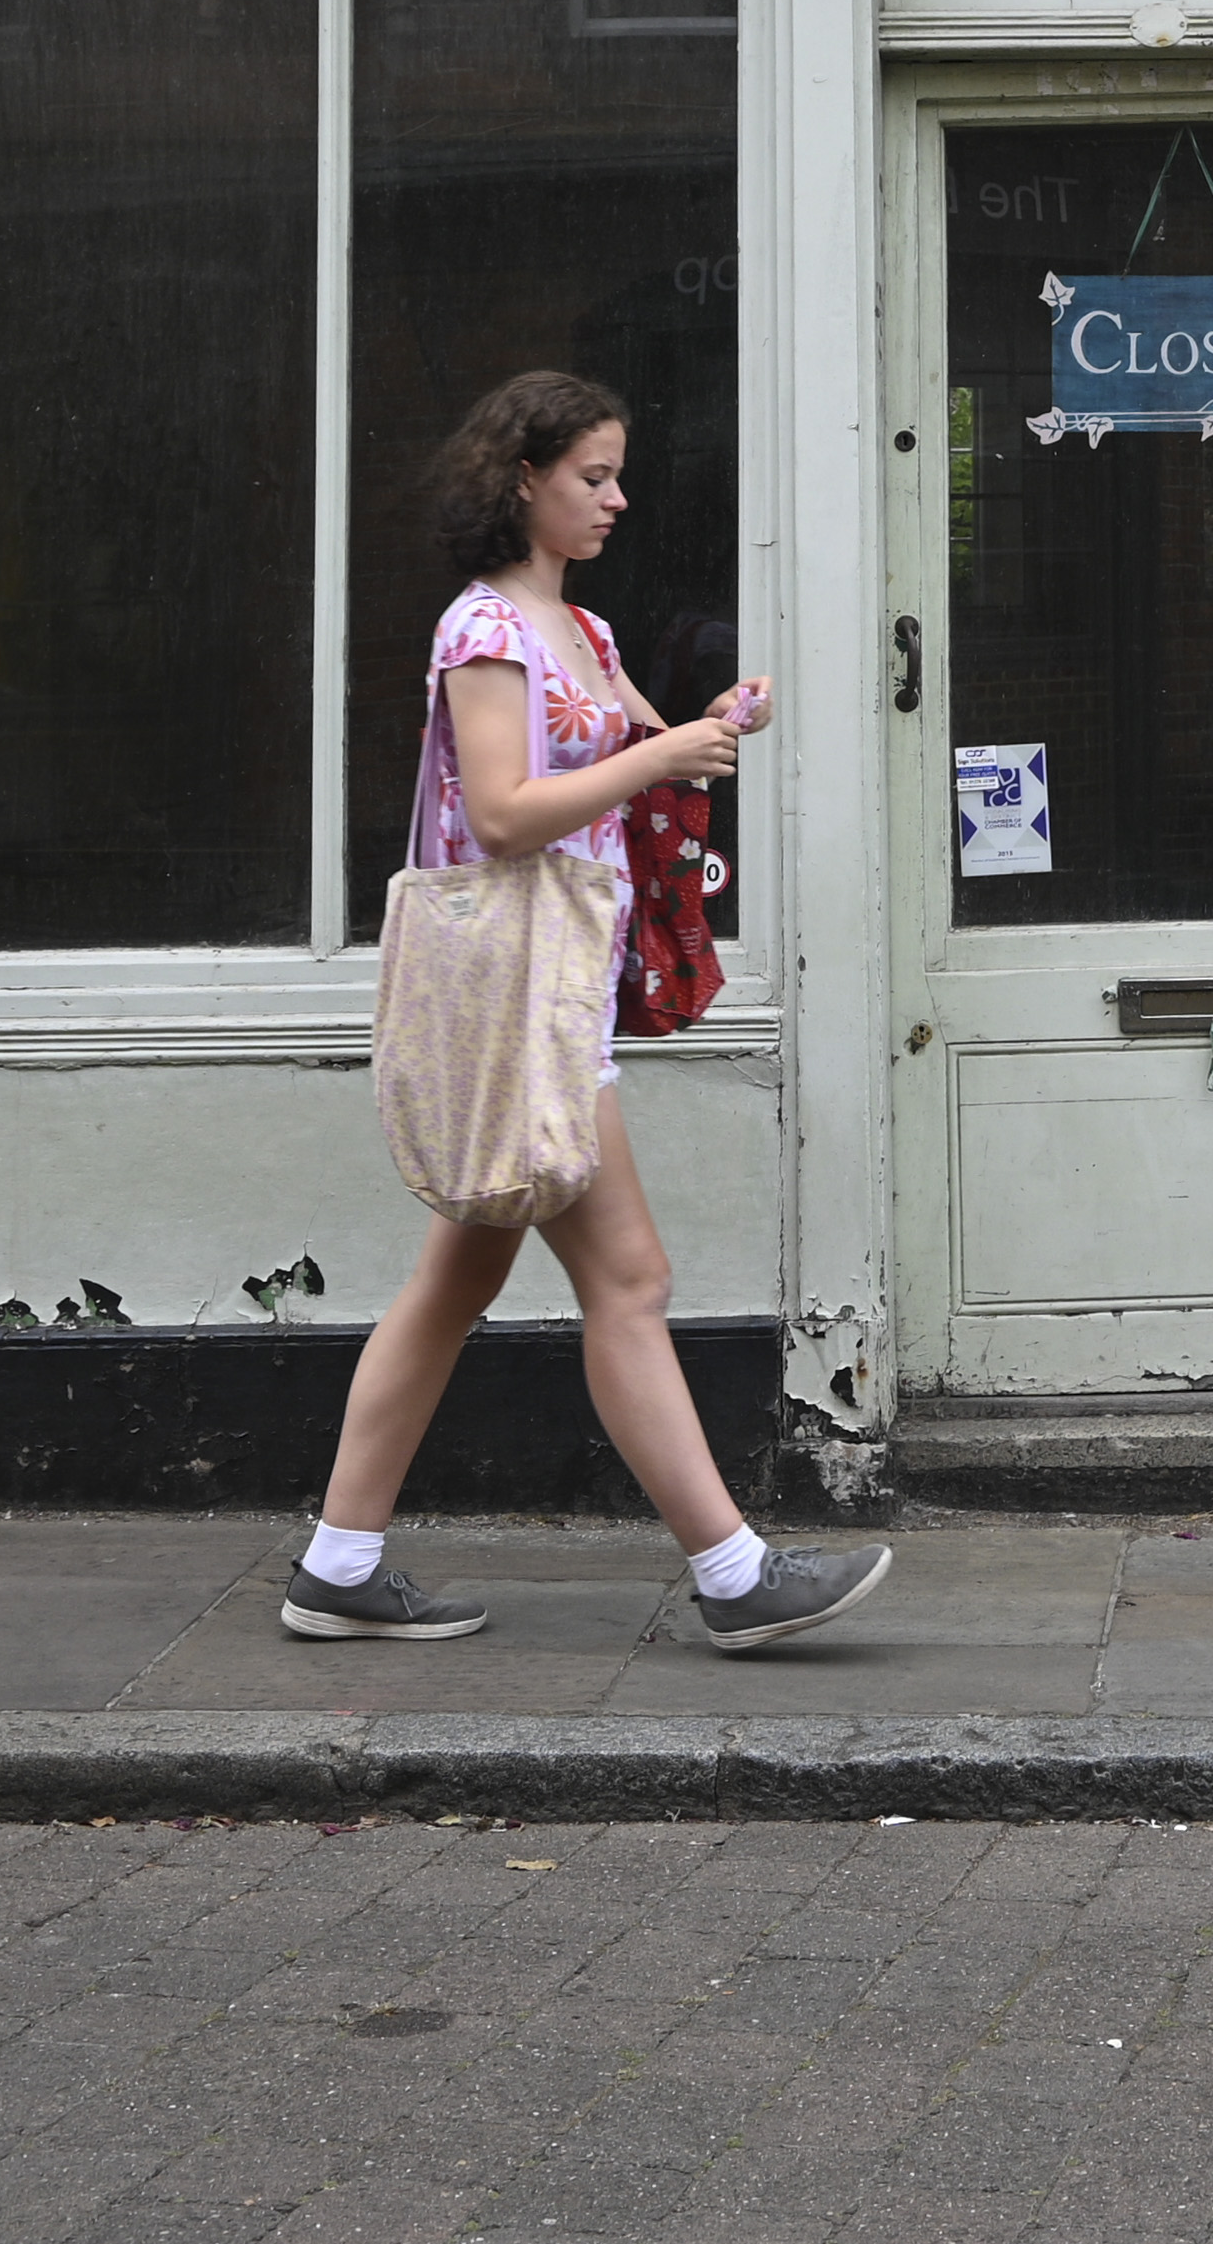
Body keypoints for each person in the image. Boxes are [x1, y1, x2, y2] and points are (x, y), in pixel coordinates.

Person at [283, 369, 894, 1654]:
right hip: (520, 1001)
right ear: (523, 479)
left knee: (456, 1279)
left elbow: (633, 773)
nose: (616, 498)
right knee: (631, 1276)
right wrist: (660, 753)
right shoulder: (485, 632)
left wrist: (709, 729)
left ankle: (339, 1561)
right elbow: (503, 812)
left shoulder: (586, 634)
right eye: (592, 476)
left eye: (617, 475)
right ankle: (732, 1574)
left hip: (561, 988)